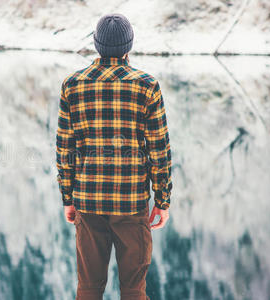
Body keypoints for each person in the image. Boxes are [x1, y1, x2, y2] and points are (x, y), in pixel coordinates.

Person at [55, 12, 173, 300]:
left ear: (96, 45)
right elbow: (159, 149)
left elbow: (64, 149)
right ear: (128, 46)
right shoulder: (147, 86)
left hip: (88, 200)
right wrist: (162, 200)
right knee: (134, 289)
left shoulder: (72, 85)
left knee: (88, 288)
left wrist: (68, 198)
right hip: (131, 203)